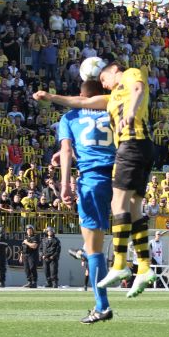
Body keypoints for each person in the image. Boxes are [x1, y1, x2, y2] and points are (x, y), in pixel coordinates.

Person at [34, 60, 157, 298]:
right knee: (134, 209)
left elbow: (137, 89)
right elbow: (84, 103)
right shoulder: (111, 101)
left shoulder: (127, 79)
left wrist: (66, 183)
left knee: (99, 237)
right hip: (135, 154)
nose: (105, 84)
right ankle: (143, 266)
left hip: (103, 169)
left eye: (104, 79)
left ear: (113, 71)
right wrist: (51, 96)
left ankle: (113, 279)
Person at [55, 79, 116, 322]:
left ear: (81, 94)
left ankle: (102, 306)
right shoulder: (114, 108)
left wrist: (64, 185)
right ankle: (86, 253)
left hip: (93, 180)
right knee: (100, 241)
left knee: (94, 248)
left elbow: (67, 150)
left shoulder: (70, 117)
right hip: (120, 176)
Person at [21, 224, 39, 288]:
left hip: (32, 255)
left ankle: (34, 282)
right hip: (25, 255)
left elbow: (34, 246)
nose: (29, 231)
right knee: (26, 269)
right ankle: (29, 282)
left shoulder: (35, 237)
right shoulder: (25, 238)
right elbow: (22, 248)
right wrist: (21, 256)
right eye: (28, 230)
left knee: (32, 268)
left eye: (30, 230)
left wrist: (26, 242)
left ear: (33, 231)